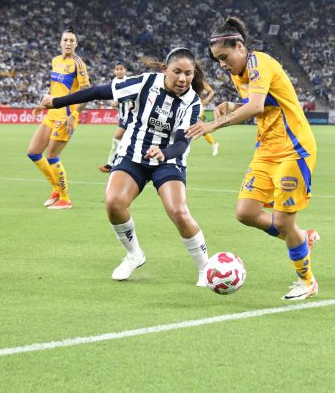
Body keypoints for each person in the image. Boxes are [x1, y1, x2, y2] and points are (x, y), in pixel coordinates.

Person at [38, 48, 210, 286]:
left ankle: (205, 269)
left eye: (188, 74)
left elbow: (181, 144)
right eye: (177, 72)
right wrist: (55, 102)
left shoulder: (192, 102)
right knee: (113, 203)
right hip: (133, 154)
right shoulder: (146, 82)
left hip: (168, 160)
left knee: (178, 211)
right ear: (165, 70)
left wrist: (164, 152)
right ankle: (134, 254)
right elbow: (98, 91)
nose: (182, 79)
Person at [186, 16, 320, 301]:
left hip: (293, 149)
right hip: (266, 150)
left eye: (224, 57)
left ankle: (306, 280)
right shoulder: (238, 74)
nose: (222, 64)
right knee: (245, 212)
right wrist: (233, 104)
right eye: (217, 60)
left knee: (284, 222)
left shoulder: (260, 63)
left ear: (240, 46)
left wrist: (213, 124)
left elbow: (257, 104)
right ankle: (299, 237)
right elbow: (260, 106)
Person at [29, 28, 90, 209]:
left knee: (52, 155)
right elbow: (54, 87)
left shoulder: (78, 64)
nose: (68, 43)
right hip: (52, 113)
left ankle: (65, 199)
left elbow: (86, 93)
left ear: (76, 44)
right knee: (33, 152)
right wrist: (42, 104)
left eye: (72, 40)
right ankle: (55, 188)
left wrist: (74, 115)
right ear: (60, 42)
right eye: (65, 40)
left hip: (66, 116)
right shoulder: (55, 61)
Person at [98, 63, 133, 172]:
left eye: (121, 69)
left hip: (130, 116)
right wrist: (112, 102)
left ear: (125, 70)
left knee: (117, 138)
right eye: (117, 69)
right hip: (123, 116)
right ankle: (117, 162)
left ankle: (111, 164)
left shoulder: (129, 82)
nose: (119, 71)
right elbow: (111, 98)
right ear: (114, 71)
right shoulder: (113, 83)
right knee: (122, 140)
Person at [200, 81, 220, 156]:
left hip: (199, 107)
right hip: (190, 107)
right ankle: (214, 145)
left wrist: (206, 100)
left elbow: (211, 92)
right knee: (200, 129)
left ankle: (214, 145)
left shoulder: (201, 82)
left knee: (200, 128)